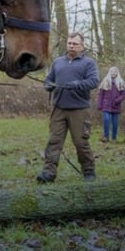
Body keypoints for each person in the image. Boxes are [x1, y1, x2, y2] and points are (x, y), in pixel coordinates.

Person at [39, 32, 99, 183]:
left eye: (75, 44)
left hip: (79, 109)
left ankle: (89, 171)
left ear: (82, 46)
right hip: (58, 108)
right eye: (69, 43)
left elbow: (93, 81)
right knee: (54, 141)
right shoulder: (58, 62)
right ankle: (48, 173)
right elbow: (49, 79)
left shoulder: (88, 63)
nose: (71, 46)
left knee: (81, 142)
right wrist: (48, 85)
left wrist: (77, 84)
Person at [96, 66, 125, 142]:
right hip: (105, 104)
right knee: (106, 120)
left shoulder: (120, 82)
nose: (113, 73)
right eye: (112, 71)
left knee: (115, 122)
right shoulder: (105, 81)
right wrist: (99, 104)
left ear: (117, 73)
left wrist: (117, 100)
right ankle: (106, 137)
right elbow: (100, 94)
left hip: (115, 105)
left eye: (115, 72)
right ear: (109, 72)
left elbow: (124, 94)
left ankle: (114, 138)